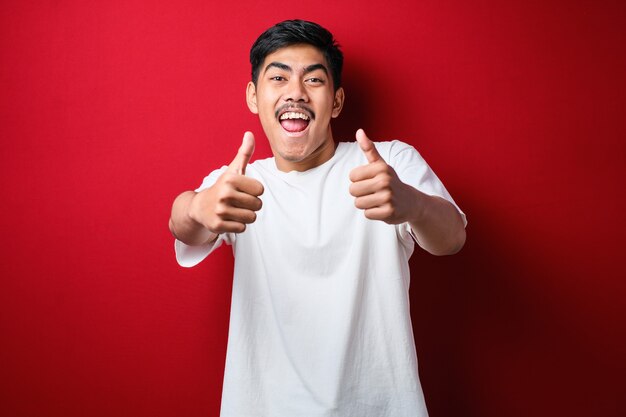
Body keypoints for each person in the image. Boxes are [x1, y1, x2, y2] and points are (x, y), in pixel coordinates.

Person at [169, 19, 466, 417]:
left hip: (381, 407)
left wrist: (412, 204)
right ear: (254, 96)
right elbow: (183, 225)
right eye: (279, 78)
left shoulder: (388, 164)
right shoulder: (240, 183)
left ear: (337, 101)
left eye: (313, 80)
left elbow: (453, 237)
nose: (295, 93)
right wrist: (197, 207)